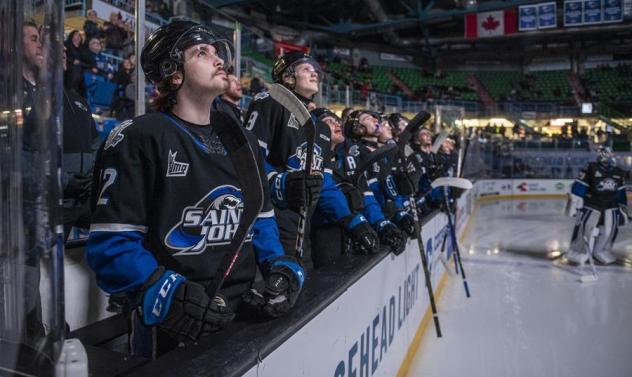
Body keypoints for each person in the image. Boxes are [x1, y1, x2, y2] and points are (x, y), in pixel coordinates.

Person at [86, 21, 304, 358]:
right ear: (173, 74)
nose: (219, 60)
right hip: (174, 326)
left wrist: (279, 264)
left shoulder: (242, 140)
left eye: (217, 52)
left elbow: (259, 219)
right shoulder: (140, 136)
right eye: (202, 52)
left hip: (243, 314)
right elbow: (111, 245)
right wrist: (166, 294)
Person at [244, 51, 378, 267]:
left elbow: (324, 184)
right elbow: (249, 159)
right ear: (288, 76)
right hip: (271, 224)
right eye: (306, 68)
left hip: (304, 229)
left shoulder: (321, 128)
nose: (314, 73)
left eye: (315, 69)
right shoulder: (270, 101)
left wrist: (352, 221)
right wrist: (279, 183)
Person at [310, 108, 403, 266]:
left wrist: (382, 223)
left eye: (335, 120)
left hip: (352, 228)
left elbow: (366, 195)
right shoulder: (313, 158)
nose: (335, 123)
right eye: (328, 122)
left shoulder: (348, 159)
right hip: (326, 232)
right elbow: (328, 195)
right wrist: (354, 222)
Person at [565, 146, 629, 265]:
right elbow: (579, 185)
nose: (612, 158)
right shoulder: (591, 168)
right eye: (610, 155)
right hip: (592, 204)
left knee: (610, 229)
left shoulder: (618, 172)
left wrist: (623, 205)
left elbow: (620, 191)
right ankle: (578, 251)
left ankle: (602, 251)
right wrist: (575, 201)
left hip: (611, 206)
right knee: (586, 227)